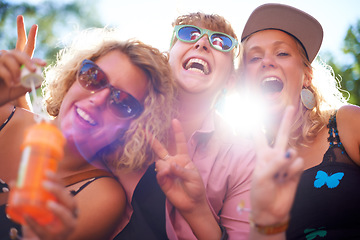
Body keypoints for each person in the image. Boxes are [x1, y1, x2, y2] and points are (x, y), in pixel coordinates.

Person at [0, 20, 176, 240]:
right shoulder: (5, 113)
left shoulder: (102, 197)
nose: (99, 99)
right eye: (94, 77)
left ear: (131, 129)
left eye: (122, 102)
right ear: (73, 77)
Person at [112, 12, 256, 240]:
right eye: (189, 34)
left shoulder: (243, 158)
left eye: (221, 42)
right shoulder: (122, 110)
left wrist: (197, 210)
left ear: (231, 80)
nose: (202, 43)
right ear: (167, 59)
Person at [239, 3, 360, 239]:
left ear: (307, 76)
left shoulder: (346, 122)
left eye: (282, 53)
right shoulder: (244, 166)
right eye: (254, 58)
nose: (266, 62)